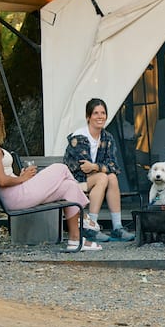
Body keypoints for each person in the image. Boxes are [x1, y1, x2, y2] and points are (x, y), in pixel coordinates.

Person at [0, 100, 100, 252]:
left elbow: (1, 176)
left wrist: (19, 177)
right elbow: (2, 180)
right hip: (13, 197)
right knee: (61, 168)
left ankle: (75, 239)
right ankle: (83, 216)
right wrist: (23, 178)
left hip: (10, 196)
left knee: (68, 187)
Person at [64, 98, 135, 242]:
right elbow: (84, 168)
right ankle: (91, 227)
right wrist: (100, 168)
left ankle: (117, 227)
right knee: (103, 177)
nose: (100, 116)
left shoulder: (107, 137)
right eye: (96, 113)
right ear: (88, 117)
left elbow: (114, 166)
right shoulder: (79, 137)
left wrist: (95, 167)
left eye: (103, 113)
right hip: (74, 181)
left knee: (112, 177)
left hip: (93, 179)